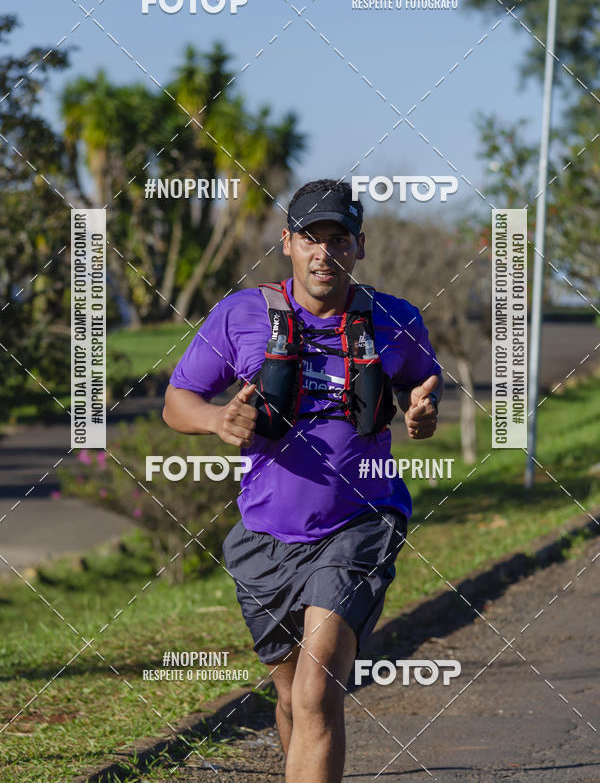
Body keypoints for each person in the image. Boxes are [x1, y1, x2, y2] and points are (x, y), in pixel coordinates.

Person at [162, 179, 443, 783]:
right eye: (311, 239)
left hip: (360, 524)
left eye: (338, 240)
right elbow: (176, 400)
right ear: (287, 243)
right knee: (290, 697)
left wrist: (422, 410)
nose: (324, 254)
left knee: (317, 692)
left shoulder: (394, 318)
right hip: (265, 536)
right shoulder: (240, 316)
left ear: (358, 247)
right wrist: (217, 420)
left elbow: (422, 378)